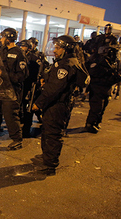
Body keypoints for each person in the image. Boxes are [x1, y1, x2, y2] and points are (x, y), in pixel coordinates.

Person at [31, 35, 78, 176]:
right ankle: (47, 157)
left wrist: (38, 104)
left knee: (52, 135)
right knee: (47, 132)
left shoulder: (66, 65)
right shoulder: (62, 62)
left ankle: (50, 165)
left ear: (66, 49)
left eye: (58, 48)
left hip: (57, 105)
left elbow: (54, 89)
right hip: (54, 104)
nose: (55, 50)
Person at [0, 28, 28, 150]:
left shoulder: (19, 53)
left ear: (8, 38)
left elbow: (21, 76)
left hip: (12, 89)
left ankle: (17, 140)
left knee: (10, 114)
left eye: (3, 37)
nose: (1, 39)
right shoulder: (2, 50)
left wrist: (4, 74)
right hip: (0, 86)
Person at [84, 24, 120, 133]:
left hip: (106, 85)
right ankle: (90, 123)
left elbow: (117, 51)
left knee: (104, 105)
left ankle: (97, 122)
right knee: (96, 105)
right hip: (97, 84)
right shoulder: (95, 60)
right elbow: (90, 49)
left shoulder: (113, 40)